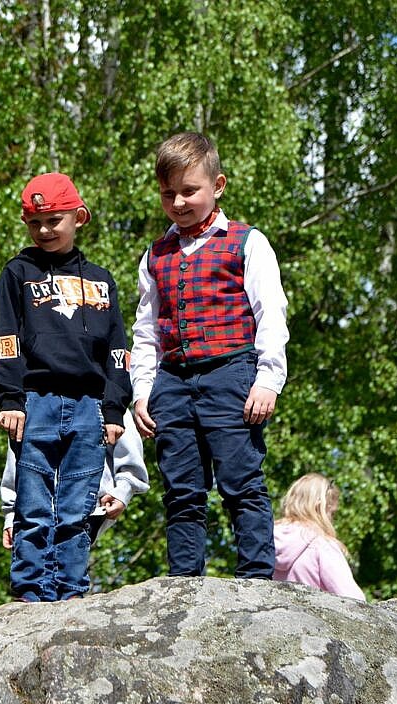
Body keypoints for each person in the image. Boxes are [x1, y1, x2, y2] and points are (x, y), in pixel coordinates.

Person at [130, 132, 289, 579]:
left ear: (217, 185)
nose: (178, 202)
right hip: (173, 382)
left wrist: (268, 379)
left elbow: (270, 313)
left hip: (232, 374)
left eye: (189, 191)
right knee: (181, 490)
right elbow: (145, 330)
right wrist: (143, 391)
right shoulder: (155, 255)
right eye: (168, 193)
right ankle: (184, 582)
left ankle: (257, 580)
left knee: (241, 482)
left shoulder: (247, 242)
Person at [0, 172, 133, 602]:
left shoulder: (102, 280)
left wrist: (113, 409)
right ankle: (30, 592)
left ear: (79, 217)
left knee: (77, 506)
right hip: (34, 403)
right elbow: (5, 338)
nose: (45, 230)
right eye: (35, 222)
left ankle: (71, 591)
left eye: (54, 219)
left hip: (90, 406)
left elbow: (117, 349)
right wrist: (10, 398)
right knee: (33, 504)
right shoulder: (18, 273)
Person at [0, 409, 149, 547]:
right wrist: (11, 514)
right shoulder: (32, 393)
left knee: (69, 568)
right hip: (33, 513)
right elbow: (17, 456)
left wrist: (123, 490)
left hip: (88, 510)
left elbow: (128, 447)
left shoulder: (105, 388)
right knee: (32, 570)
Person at [273, 473, 366, 601]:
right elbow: (353, 600)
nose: (332, 520)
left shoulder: (267, 540)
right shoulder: (322, 546)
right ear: (320, 507)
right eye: (332, 513)